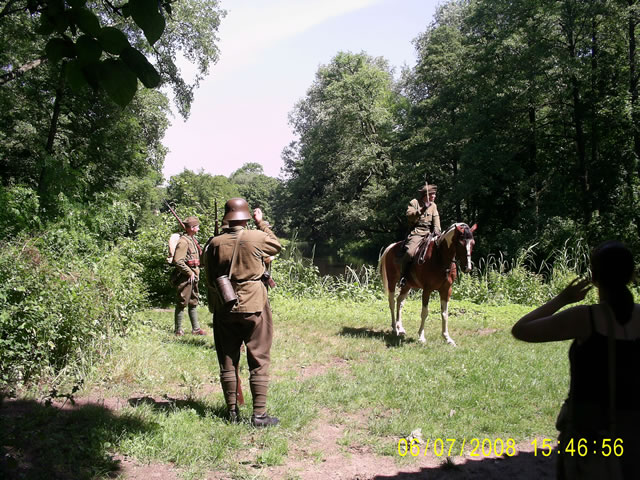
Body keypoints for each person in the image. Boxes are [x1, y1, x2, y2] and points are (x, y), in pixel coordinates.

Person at [512, 241, 640, 479]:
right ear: (631, 275)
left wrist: (562, 299)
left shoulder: (585, 318)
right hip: (634, 431)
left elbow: (521, 329)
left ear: (594, 277)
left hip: (586, 432)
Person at [204, 198, 282, 427]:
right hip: (254, 305)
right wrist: (261, 223)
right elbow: (276, 245)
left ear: (227, 218)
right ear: (246, 217)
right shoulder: (256, 236)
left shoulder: (214, 243)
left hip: (225, 305)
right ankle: (259, 415)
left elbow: (209, 278)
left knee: (227, 359)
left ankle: (232, 412)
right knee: (259, 358)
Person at [399, 183, 441, 287]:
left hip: (430, 233)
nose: (434, 196)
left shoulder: (433, 205)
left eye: (434, 194)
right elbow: (410, 216)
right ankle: (403, 276)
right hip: (417, 232)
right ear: (426, 195)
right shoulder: (414, 202)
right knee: (409, 253)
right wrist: (422, 210)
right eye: (432, 194)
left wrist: (437, 230)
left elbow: (436, 220)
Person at [172, 216, 207, 336]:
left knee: (193, 301)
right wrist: (189, 272)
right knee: (182, 302)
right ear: (191, 228)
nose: (199, 228)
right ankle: (178, 330)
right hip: (185, 276)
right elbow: (178, 261)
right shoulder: (183, 242)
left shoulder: (192, 240)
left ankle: (196, 329)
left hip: (194, 274)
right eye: (197, 226)